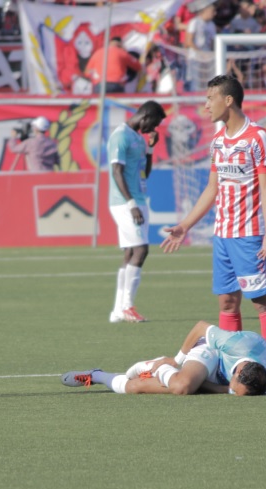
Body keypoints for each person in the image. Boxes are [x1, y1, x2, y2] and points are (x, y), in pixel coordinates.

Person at [161, 74, 266, 360]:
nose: (206, 105)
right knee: (227, 303)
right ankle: (234, 366)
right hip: (223, 236)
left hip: (251, 235)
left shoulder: (258, 137)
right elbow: (212, 188)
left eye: (210, 98)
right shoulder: (217, 142)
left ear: (228, 100)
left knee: (262, 303)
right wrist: (185, 225)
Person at [61, 320, 266, 396]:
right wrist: (177, 360)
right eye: (235, 390)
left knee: (135, 387)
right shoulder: (236, 344)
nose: (234, 394)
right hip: (211, 353)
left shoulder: (264, 384)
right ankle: (159, 365)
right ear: (238, 371)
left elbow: (231, 389)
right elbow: (200, 327)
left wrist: (224, 389)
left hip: (221, 374)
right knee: (182, 386)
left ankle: (97, 376)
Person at [107, 100, 167, 323]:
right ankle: (127, 307)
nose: (153, 128)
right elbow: (116, 171)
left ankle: (117, 310)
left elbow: (144, 173)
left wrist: (150, 148)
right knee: (141, 250)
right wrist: (131, 203)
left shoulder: (138, 139)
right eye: (154, 123)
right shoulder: (120, 136)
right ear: (145, 116)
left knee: (130, 253)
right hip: (125, 202)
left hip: (137, 199)